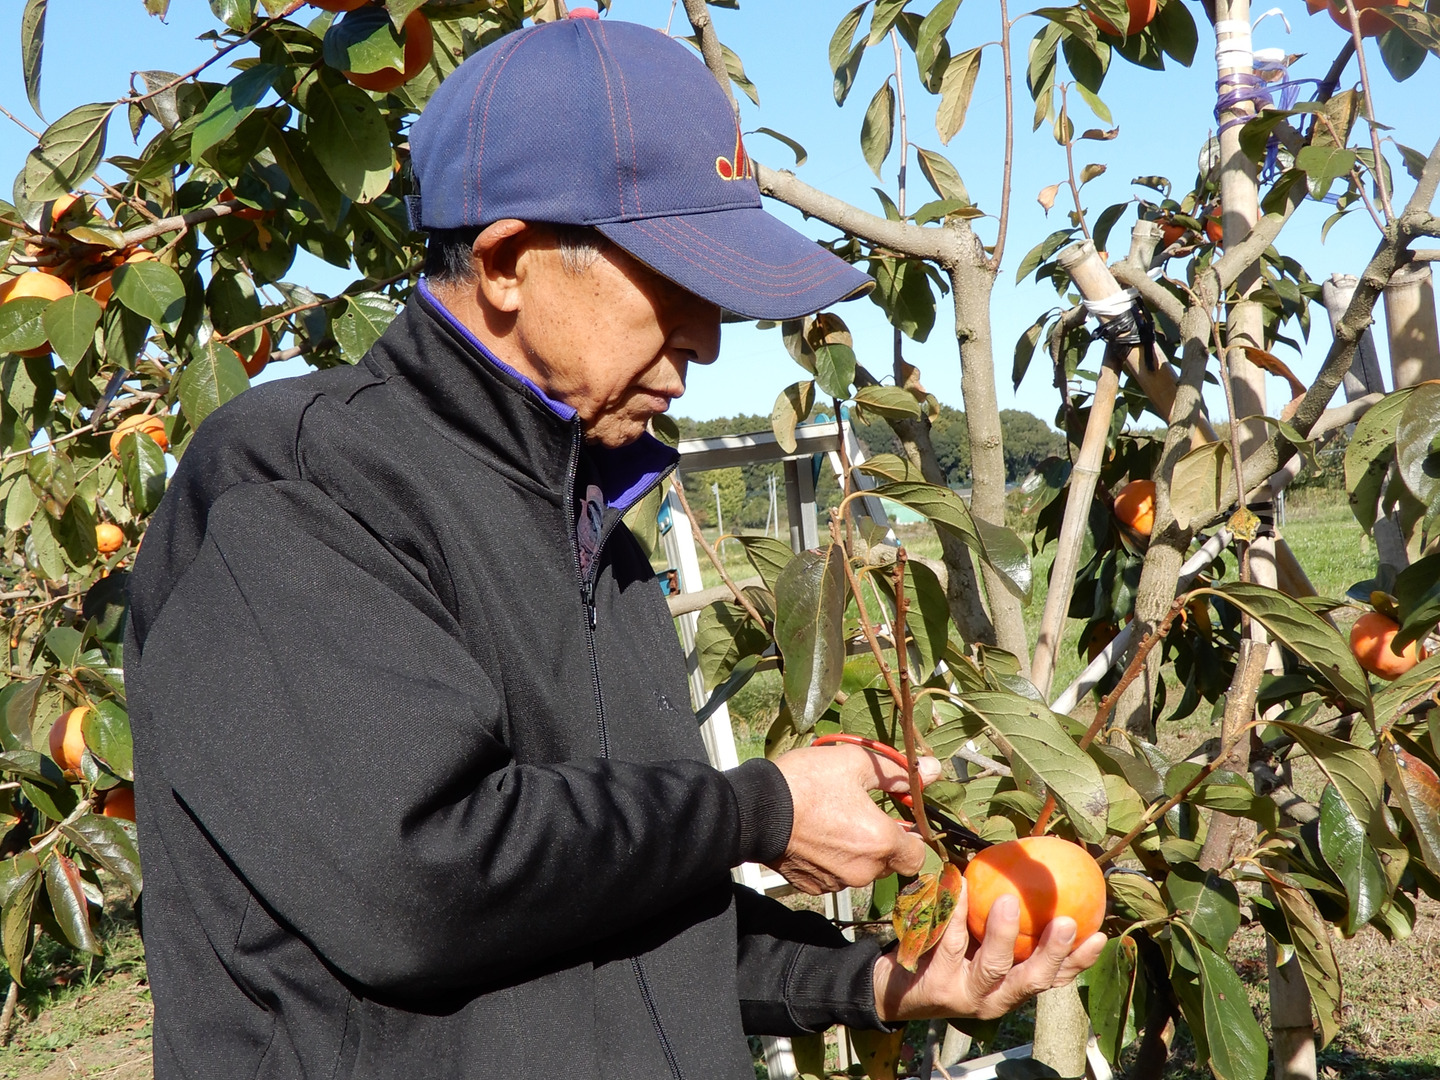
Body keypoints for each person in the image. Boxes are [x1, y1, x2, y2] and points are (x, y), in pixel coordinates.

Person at [124, 14, 1104, 1079]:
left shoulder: (595, 527)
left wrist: (870, 980)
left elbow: (613, 903)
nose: (706, 339)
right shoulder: (300, 484)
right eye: (674, 280)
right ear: (508, 261)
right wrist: (758, 811)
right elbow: (419, 884)